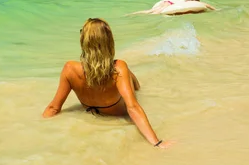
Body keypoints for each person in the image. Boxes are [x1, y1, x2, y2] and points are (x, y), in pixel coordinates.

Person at [42, 18, 174, 149]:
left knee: (127, 74)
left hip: (93, 109)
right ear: (109, 42)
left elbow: (53, 108)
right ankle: (131, 77)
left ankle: (131, 78)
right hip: (118, 114)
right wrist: (157, 142)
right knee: (126, 73)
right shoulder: (118, 68)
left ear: (84, 42)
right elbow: (132, 107)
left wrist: (41, 135)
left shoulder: (69, 69)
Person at [131, 0, 216, 15]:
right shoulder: (198, 4)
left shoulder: (186, 1)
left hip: (168, 3)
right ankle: (133, 14)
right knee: (154, 13)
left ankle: (133, 14)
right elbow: (210, 7)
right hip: (169, 4)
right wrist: (217, 10)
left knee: (150, 11)